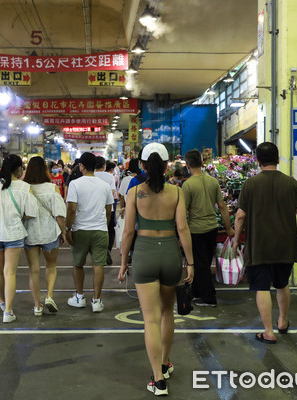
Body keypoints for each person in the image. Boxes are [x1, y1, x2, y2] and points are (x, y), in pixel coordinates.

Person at [118, 143, 194, 396]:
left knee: (150, 319)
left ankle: (159, 380)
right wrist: (191, 263)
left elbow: (128, 231)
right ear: (166, 165)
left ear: (142, 165)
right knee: (167, 313)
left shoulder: (135, 192)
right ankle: (164, 361)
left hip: (144, 254)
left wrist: (122, 263)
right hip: (170, 253)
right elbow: (183, 229)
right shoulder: (176, 192)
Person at [233, 142, 297, 344]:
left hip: (258, 245)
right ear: (278, 159)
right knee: (282, 283)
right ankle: (283, 321)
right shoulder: (291, 183)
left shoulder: (250, 184)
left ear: (258, 161)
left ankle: (268, 331)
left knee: (262, 287)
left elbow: (241, 216)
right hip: (284, 245)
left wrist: (235, 241)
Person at [0, 154, 38, 323]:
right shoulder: (24, 187)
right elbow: (30, 213)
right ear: (19, 168)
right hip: (13, 233)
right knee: (10, 272)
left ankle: (2, 300)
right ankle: (8, 312)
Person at [182, 149, 234, 308]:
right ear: (202, 162)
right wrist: (229, 228)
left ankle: (209, 298)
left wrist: (181, 232)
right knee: (203, 262)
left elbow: (183, 211)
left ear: (187, 165)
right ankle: (196, 292)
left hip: (196, 229)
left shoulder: (188, 185)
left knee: (200, 264)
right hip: (212, 228)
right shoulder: (213, 182)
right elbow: (223, 206)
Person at [65, 152, 113, 312]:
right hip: (100, 230)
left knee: (78, 265)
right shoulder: (105, 186)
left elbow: (71, 209)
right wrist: (103, 226)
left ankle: (79, 297)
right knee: (98, 265)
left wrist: (68, 228)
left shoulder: (75, 184)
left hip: (80, 230)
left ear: (82, 166)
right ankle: (97, 301)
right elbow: (108, 211)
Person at [23, 156, 67, 315]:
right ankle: (49, 296)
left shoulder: (24, 188)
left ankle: (37, 306)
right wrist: (63, 231)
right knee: (51, 266)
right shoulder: (51, 188)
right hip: (49, 232)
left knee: (33, 270)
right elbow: (60, 214)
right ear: (44, 170)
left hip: (30, 233)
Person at [94, 157, 118, 264]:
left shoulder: (90, 176)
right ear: (104, 166)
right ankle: (107, 249)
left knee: (96, 230)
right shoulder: (110, 176)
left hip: (94, 208)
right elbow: (112, 191)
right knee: (109, 230)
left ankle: (98, 251)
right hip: (109, 208)